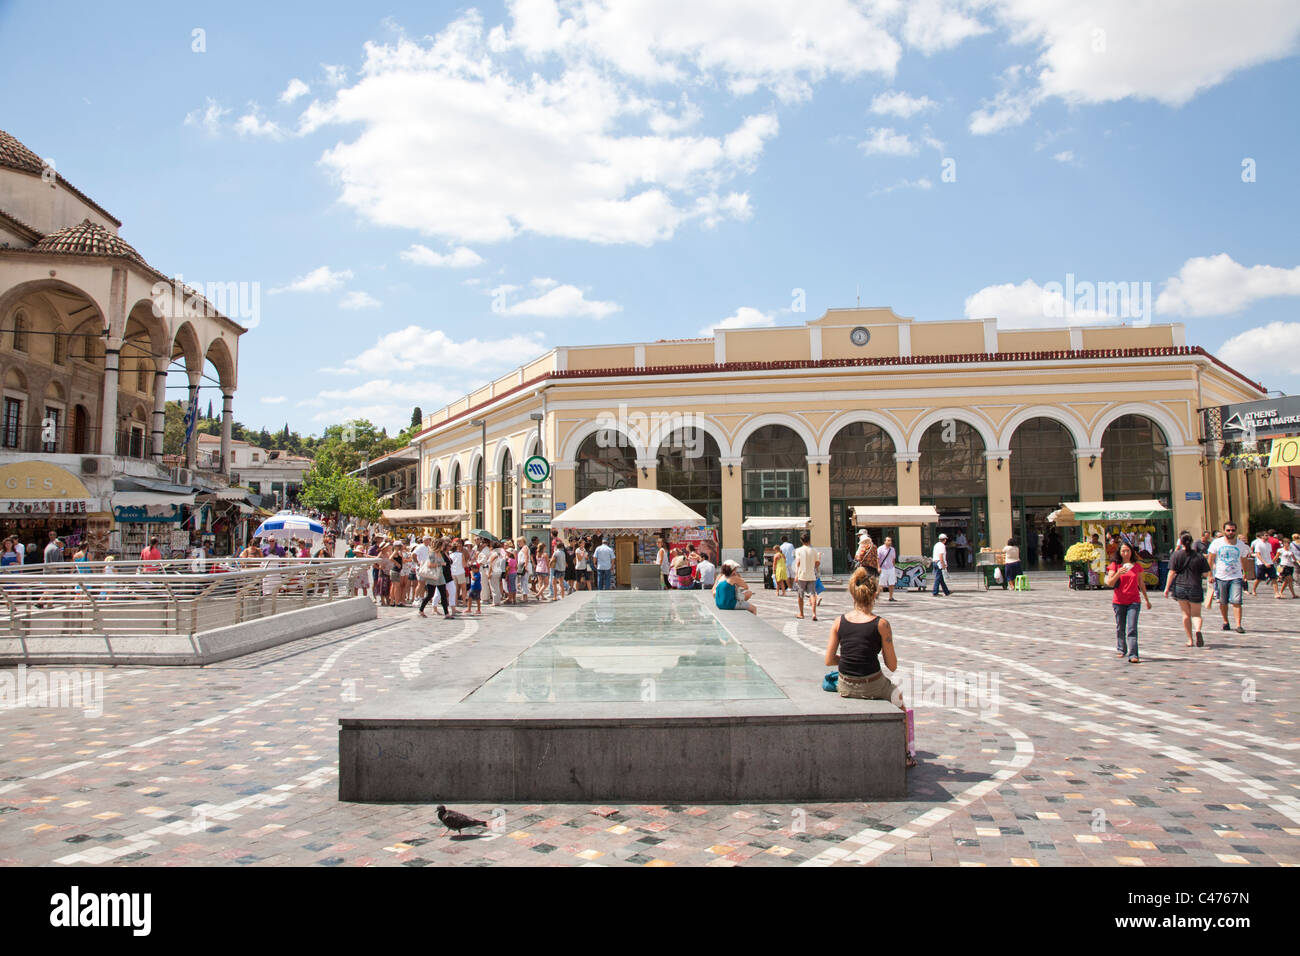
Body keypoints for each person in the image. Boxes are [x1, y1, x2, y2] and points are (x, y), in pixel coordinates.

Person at [824, 566, 915, 768]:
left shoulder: (839, 621)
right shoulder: (881, 624)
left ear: (853, 594)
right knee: (900, 703)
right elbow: (892, 665)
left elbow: (829, 660)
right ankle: (906, 753)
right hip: (873, 684)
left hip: (846, 685)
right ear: (875, 595)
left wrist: (847, 659)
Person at [1106, 540, 1150, 663]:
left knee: (1132, 628)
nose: (1125, 553)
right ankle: (1121, 648)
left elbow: (1141, 583)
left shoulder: (1137, 566)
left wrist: (1147, 599)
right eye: (1123, 551)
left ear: (1131, 552)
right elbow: (1109, 582)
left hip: (1134, 601)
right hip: (1119, 601)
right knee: (1120, 626)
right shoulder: (1115, 565)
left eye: (1128, 551)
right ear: (1119, 552)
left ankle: (1133, 654)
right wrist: (1118, 574)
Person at [1165, 532, 1210, 647]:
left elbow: (1171, 573)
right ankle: (1198, 630)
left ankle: (1190, 640)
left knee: (1185, 614)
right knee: (1196, 614)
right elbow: (1206, 574)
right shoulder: (1199, 556)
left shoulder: (1176, 555)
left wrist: (1166, 588)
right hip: (1195, 586)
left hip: (1180, 586)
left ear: (1180, 542)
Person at [1207, 523, 1246, 634]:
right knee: (1223, 601)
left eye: (1233, 530)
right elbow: (1210, 559)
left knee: (1237, 600)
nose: (1230, 532)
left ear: (1236, 531)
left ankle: (1238, 625)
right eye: (1228, 530)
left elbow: (1244, 559)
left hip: (1236, 576)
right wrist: (1210, 574)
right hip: (1221, 576)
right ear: (1224, 530)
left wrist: (1245, 572)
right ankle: (1225, 621)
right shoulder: (1217, 543)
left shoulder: (1241, 545)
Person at [792, 530, 821, 621]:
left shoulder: (799, 550)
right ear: (809, 540)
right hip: (811, 575)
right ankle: (813, 613)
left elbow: (798, 563)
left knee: (800, 595)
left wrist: (796, 574)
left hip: (802, 575)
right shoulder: (814, 550)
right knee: (812, 594)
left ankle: (801, 613)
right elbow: (817, 564)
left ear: (801, 541)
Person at [1250, 529, 1276, 598]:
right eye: (1266, 535)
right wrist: (1265, 563)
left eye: (1268, 535)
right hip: (1261, 564)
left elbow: (1270, 553)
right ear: (1262, 536)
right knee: (1259, 579)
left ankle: (1276, 593)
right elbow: (1258, 555)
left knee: (1274, 578)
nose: (1267, 537)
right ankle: (1254, 590)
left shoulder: (1269, 545)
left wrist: (1272, 561)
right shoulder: (1258, 544)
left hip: (1270, 563)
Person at [878, 536, 898, 601]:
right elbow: (877, 559)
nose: (890, 542)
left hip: (891, 568)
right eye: (888, 540)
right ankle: (876, 595)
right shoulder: (880, 549)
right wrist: (878, 567)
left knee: (891, 583)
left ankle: (891, 597)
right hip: (883, 568)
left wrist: (894, 567)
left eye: (890, 540)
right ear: (885, 541)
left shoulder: (892, 549)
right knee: (881, 584)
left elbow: (893, 559)